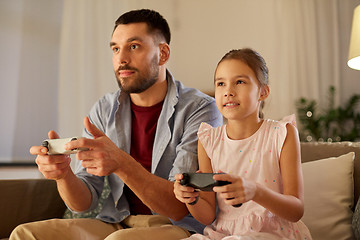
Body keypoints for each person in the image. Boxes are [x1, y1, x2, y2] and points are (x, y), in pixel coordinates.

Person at [10, 9, 222, 240]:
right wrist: (64, 175)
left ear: (162, 53)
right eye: (115, 48)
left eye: (134, 46)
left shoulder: (201, 109)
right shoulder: (104, 108)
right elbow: (84, 203)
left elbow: (178, 206)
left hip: (175, 226)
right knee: (25, 233)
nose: (122, 59)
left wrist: (121, 163)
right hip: (116, 221)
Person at [173, 48, 312, 239]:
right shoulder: (208, 141)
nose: (228, 91)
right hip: (223, 234)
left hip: (272, 233)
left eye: (239, 82)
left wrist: (255, 191)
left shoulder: (282, 134)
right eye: (221, 84)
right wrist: (192, 199)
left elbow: (296, 210)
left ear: (263, 92)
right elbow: (206, 217)